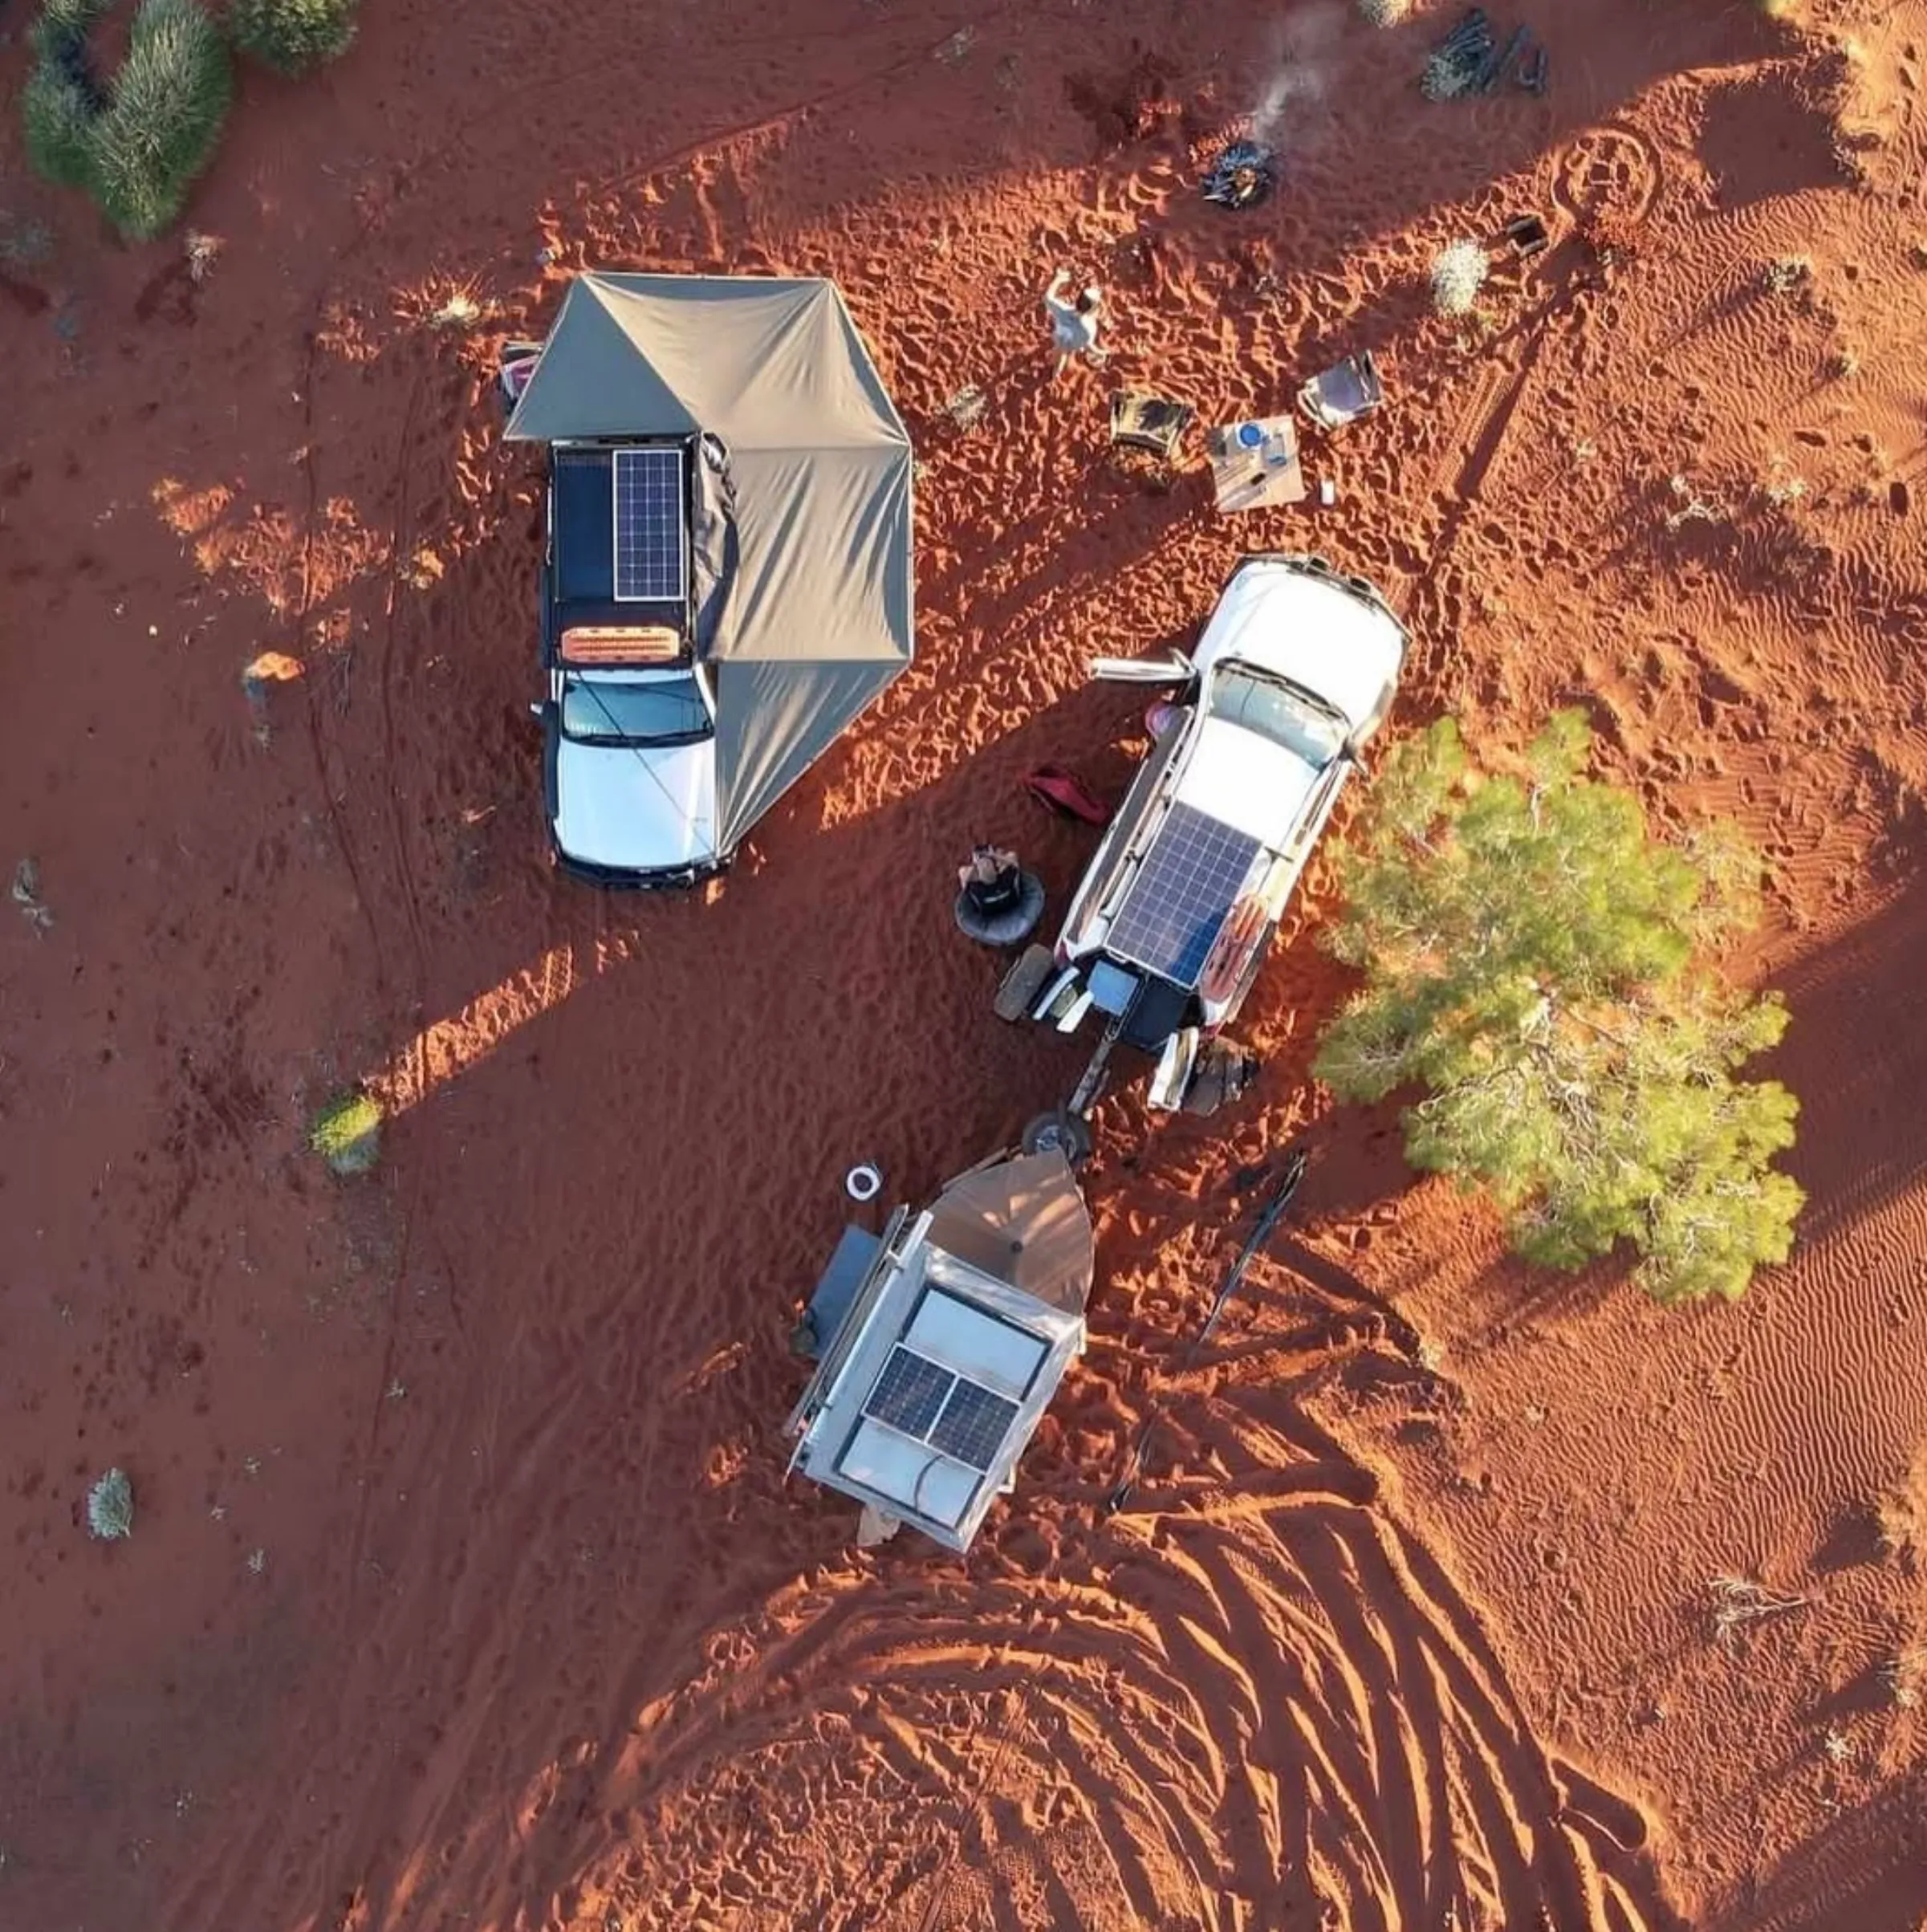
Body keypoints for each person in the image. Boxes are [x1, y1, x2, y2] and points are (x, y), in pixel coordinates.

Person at [1043, 269, 1103, 373]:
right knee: (1063, 355)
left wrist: (1058, 279)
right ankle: (1056, 373)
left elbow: (1048, 298)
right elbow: (1088, 344)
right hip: (1072, 343)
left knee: (1058, 349)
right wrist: (1098, 352)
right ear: (1092, 309)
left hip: (1059, 336)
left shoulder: (1062, 311)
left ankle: (1052, 359)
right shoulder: (1089, 327)